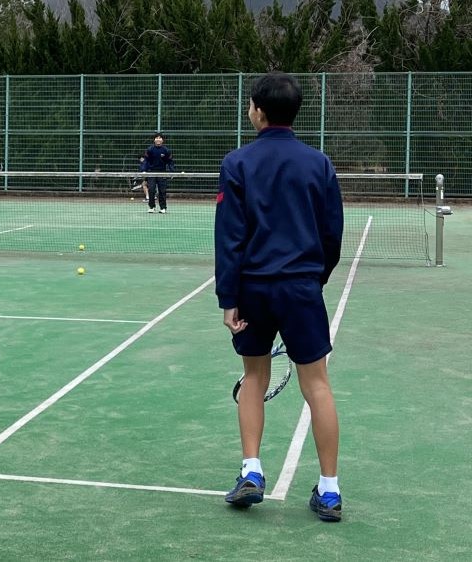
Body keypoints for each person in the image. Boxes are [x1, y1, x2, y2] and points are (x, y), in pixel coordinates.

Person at [214, 72, 345, 522]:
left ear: (258, 111)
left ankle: (252, 470)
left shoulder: (237, 163)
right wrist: (315, 279)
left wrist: (228, 298)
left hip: (253, 288)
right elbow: (332, 234)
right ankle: (329, 492)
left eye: (250, 106)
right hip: (302, 289)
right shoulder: (319, 163)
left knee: (253, 377)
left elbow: (229, 237)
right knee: (318, 385)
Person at [140, 133, 175, 213]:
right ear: (154, 140)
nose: (158, 139)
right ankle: (152, 207)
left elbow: (170, 162)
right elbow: (145, 161)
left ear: (162, 140)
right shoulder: (150, 150)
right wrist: (144, 170)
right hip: (151, 172)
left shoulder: (166, 150)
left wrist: (171, 172)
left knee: (162, 191)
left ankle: (163, 208)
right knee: (151, 190)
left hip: (162, 172)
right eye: (156, 138)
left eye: (160, 138)